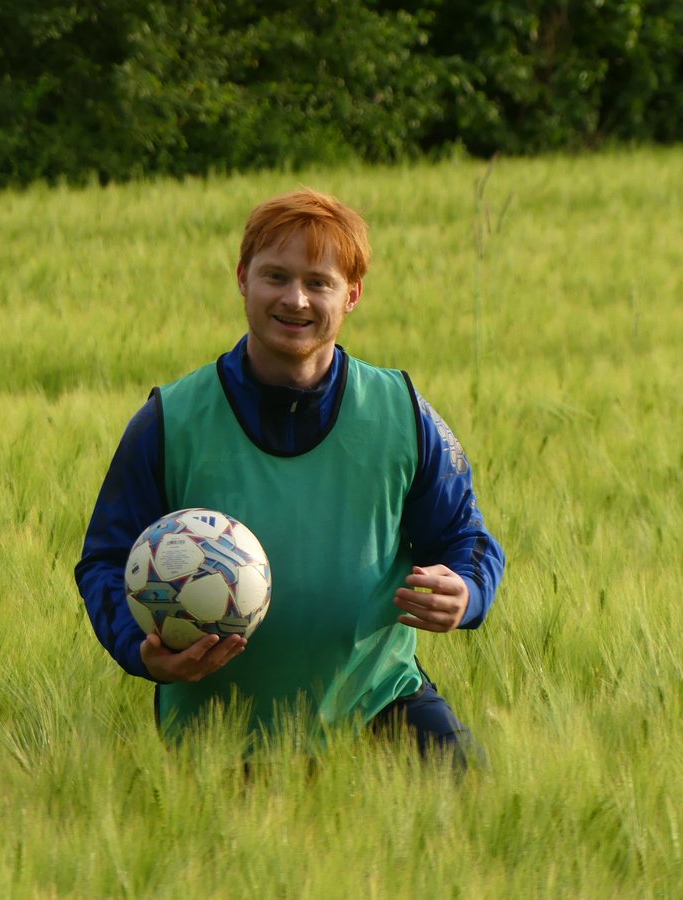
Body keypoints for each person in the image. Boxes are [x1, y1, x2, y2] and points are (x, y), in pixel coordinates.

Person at [75, 188, 504, 764]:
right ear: (242, 278)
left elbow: (465, 537)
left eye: (318, 282)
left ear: (351, 294)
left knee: (472, 803)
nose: (295, 299)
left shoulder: (403, 413)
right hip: (220, 733)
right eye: (275, 276)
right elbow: (106, 559)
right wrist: (142, 651)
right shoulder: (170, 420)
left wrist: (468, 593)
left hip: (378, 702)